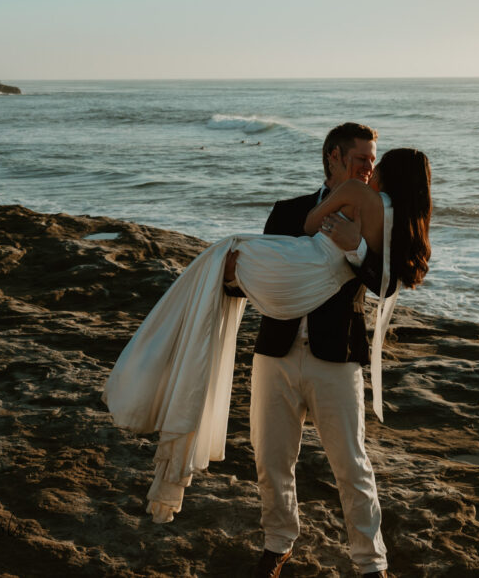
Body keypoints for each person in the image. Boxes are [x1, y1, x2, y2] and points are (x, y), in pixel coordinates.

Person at [102, 124, 431, 578]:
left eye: (373, 160)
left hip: (337, 356)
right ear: (333, 157)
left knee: (351, 466)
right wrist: (232, 275)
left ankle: (371, 562)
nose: (368, 167)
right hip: (274, 352)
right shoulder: (287, 211)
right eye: (361, 158)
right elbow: (256, 279)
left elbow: (387, 282)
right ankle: (278, 543)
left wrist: (355, 247)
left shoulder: (373, 211)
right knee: (271, 459)